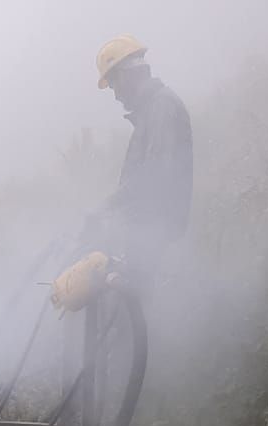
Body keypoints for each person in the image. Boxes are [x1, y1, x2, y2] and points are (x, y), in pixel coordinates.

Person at [77, 34, 193, 290]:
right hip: (147, 236)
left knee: (134, 301)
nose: (116, 95)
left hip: (155, 238)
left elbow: (154, 176)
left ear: (125, 75)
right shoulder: (153, 109)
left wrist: (106, 207)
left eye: (113, 85)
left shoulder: (162, 107)